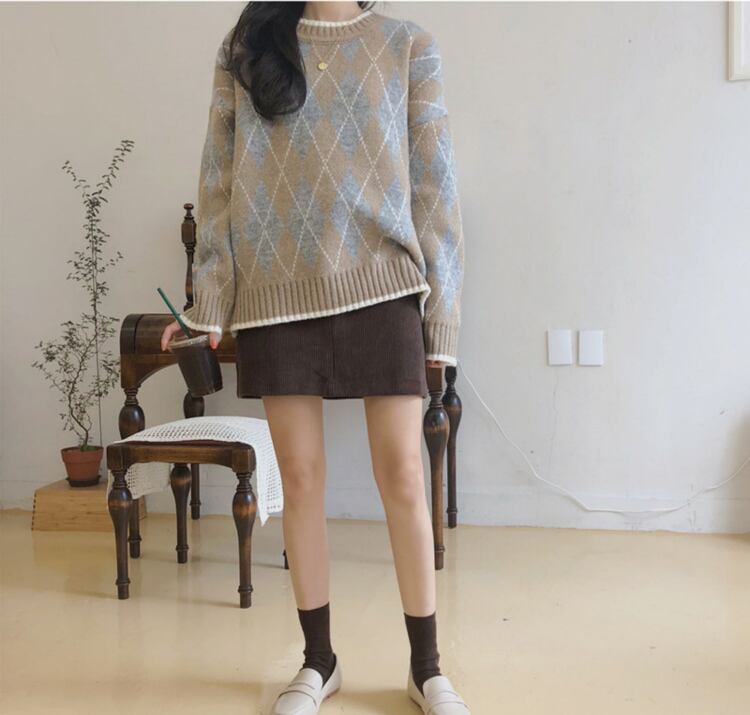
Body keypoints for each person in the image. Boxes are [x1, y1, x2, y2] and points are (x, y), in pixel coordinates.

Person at [161, 2, 468, 713]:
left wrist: (442, 318)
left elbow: (436, 190)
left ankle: (427, 669)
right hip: (277, 293)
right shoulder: (248, 45)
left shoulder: (408, 46)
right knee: (299, 480)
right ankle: (319, 661)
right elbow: (218, 181)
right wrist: (210, 300)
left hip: (384, 285)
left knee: (404, 476)